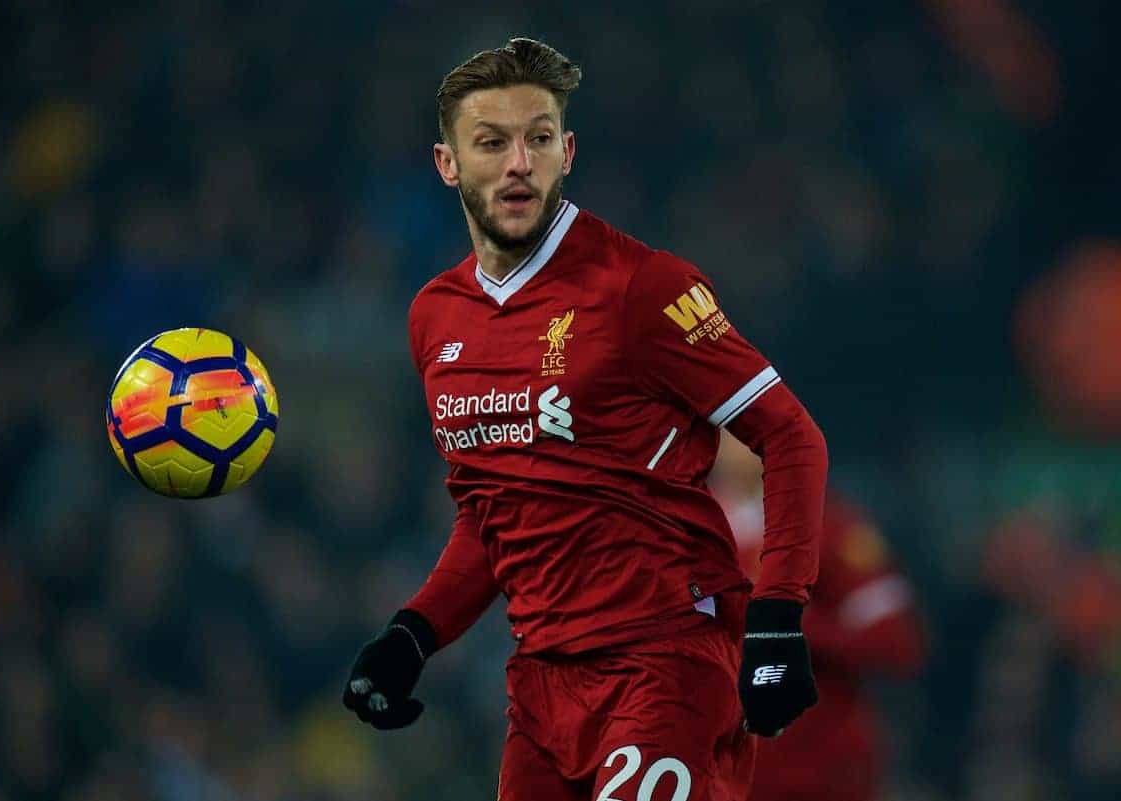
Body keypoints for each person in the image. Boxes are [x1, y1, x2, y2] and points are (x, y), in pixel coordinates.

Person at [341, 38, 829, 801]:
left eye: (538, 138)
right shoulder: (434, 318)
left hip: (664, 663)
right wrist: (415, 632)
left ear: (566, 151)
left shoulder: (642, 286)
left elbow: (791, 433)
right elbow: (494, 510)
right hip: (540, 687)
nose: (518, 163)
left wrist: (777, 614)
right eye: (491, 142)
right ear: (447, 163)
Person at [710, 433, 925, 801]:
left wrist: (795, 628)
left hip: (820, 772)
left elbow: (899, 642)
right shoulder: (677, 527)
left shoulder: (824, 525)